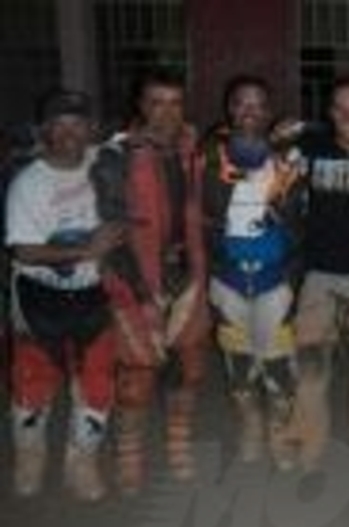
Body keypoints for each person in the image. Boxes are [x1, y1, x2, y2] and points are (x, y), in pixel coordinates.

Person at [93, 70, 209, 495]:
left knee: (188, 369)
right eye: (156, 103)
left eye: (175, 103)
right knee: (136, 375)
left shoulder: (191, 149)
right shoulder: (115, 157)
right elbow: (111, 234)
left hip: (187, 273)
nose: (166, 113)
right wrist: (142, 296)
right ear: (141, 106)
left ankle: (178, 444)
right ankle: (129, 456)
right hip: (134, 277)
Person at [6, 90, 121, 501]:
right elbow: (23, 251)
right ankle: (30, 456)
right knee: (32, 382)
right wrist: (88, 249)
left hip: (94, 293)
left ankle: (82, 461)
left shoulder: (105, 164)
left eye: (78, 123)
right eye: (60, 124)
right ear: (45, 131)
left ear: (91, 129)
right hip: (38, 295)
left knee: (97, 381)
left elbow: (146, 146)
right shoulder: (28, 183)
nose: (70, 132)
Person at [201, 76, 304, 469]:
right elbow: (212, 200)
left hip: (274, 277)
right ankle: (251, 427)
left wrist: (280, 163)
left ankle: (279, 431)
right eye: (242, 103)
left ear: (269, 111)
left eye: (258, 105)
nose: (250, 111)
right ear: (230, 109)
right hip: (227, 277)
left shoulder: (289, 157)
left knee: (278, 362)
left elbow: (295, 214)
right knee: (239, 362)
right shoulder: (211, 154)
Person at [293, 77, 349, 472]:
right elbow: (259, 152)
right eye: (340, 108)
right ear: (330, 113)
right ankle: (311, 438)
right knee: (312, 363)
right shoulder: (311, 147)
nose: (348, 116)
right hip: (320, 274)